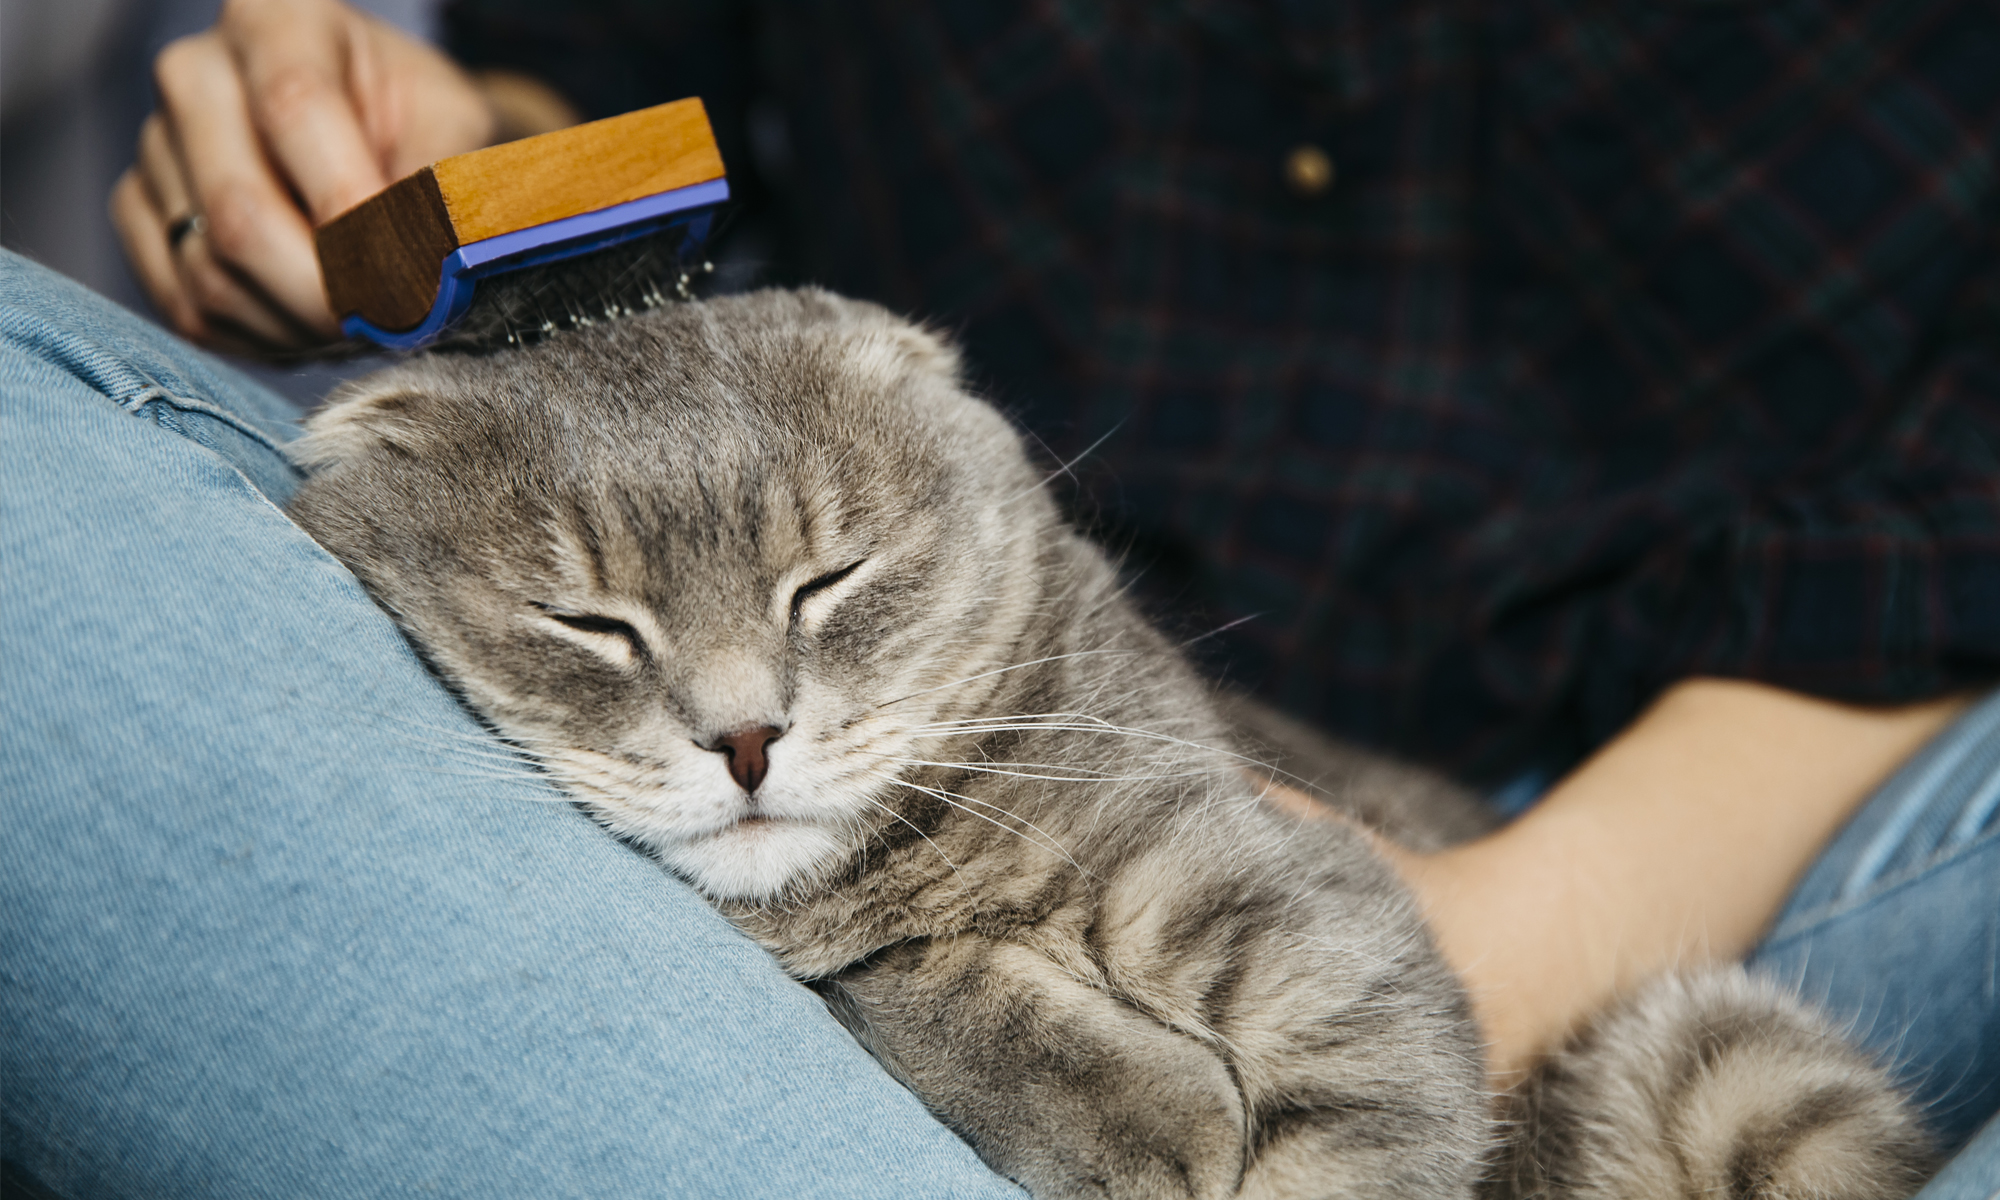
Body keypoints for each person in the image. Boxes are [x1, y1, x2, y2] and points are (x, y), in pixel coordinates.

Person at [2, 0, 1993, 1194]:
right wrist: (454, 182)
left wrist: (1525, 933)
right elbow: (614, 108)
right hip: (749, 672)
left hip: (1790, 817)